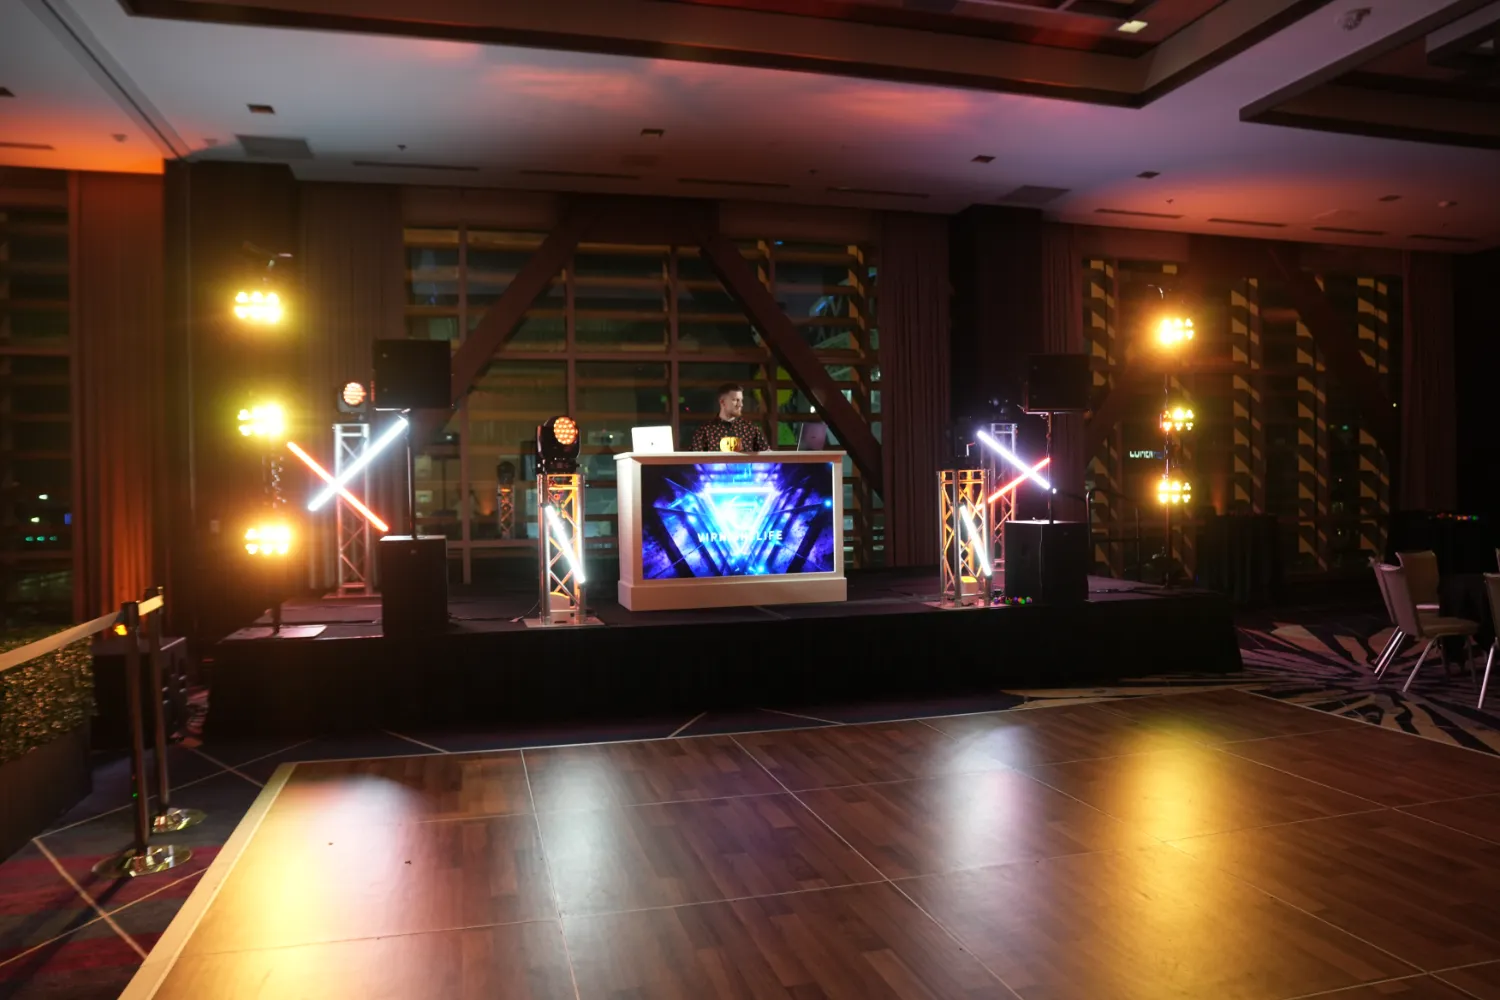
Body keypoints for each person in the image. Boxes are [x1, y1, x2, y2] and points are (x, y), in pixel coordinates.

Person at [690, 383, 769, 453]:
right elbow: (694, 462)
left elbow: (768, 457)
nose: (740, 404)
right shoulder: (705, 431)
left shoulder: (751, 429)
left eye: (741, 400)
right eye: (735, 400)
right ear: (722, 402)